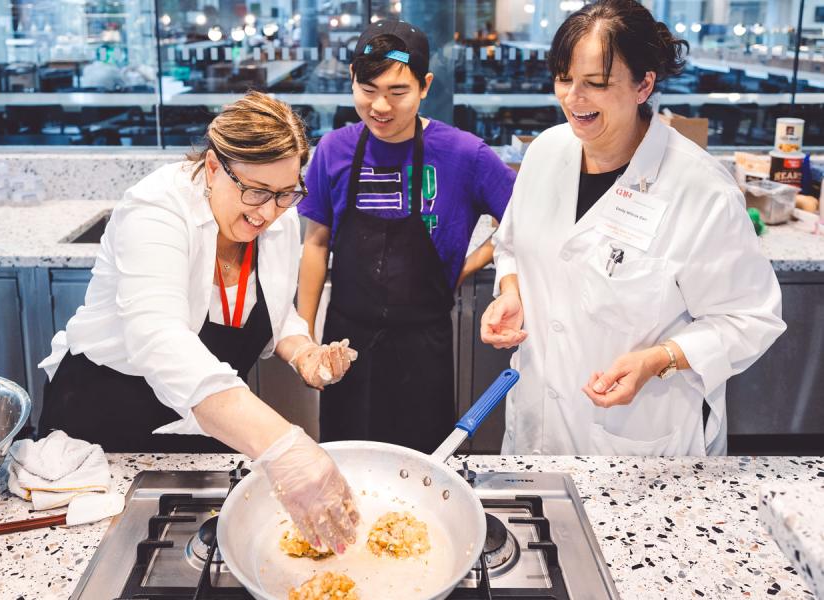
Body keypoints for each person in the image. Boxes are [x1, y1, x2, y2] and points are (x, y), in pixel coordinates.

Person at [38, 92, 359, 552]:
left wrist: (303, 351)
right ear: (213, 167)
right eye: (254, 191)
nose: (266, 212)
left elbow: (273, 306)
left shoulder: (274, 218)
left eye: (284, 193)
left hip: (200, 427)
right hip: (104, 427)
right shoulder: (156, 209)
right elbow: (159, 337)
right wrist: (284, 445)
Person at [481, 0, 785, 456]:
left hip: (635, 439)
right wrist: (511, 291)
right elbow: (512, 245)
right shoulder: (546, 151)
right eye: (564, 79)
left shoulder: (698, 189)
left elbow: (751, 318)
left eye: (595, 84)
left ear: (644, 84)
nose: (572, 98)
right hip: (537, 422)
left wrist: (657, 360)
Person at [298, 20, 516, 453]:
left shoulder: (464, 154)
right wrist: (304, 337)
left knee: (424, 468)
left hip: (424, 348)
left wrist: (467, 265)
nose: (380, 106)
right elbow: (316, 243)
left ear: (425, 86)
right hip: (345, 343)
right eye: (368, 89)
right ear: (352, 82)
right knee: (344, 467)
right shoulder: (333, 150)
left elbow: (519, 223)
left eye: (397, 92)